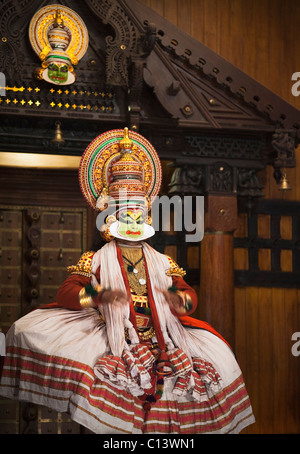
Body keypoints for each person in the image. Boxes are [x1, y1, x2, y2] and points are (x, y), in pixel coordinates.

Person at [0, 128, 255, 434]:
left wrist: (180, 301)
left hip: (164, 339)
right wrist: (98, 295)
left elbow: (185, 295)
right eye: (126, 217)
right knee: (86, 386)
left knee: (214, 364)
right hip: (114, 336)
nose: (133, 223)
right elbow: (68, 292)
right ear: (112, 220)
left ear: (147, 219)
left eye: (139, 217)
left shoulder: (163, 262)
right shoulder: (94, 259)